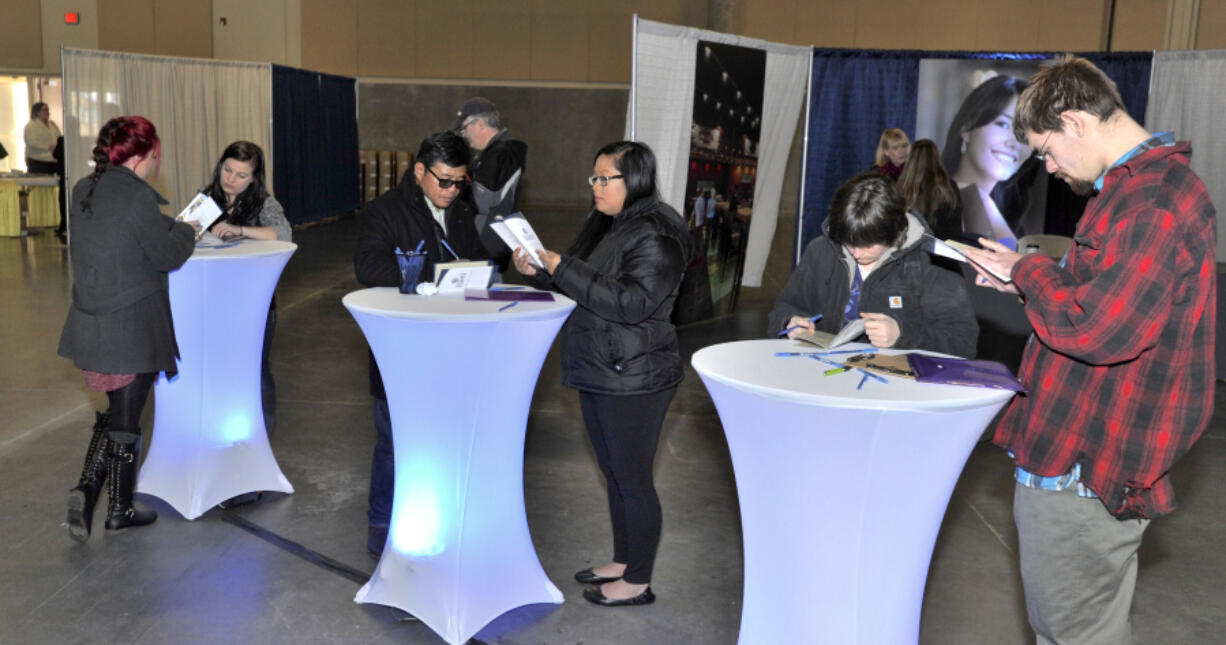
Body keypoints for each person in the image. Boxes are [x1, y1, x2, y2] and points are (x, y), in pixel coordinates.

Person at [962, 56, 1216, 645]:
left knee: (1075, 633)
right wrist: (1028, 277)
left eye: (1046, 150)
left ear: (1075, 122)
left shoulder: (1151, 199)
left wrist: (1030, 268)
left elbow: (1099, 331)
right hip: (1081, 454)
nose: (1047, 167)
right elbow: (1107, 296)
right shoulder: (1138, 191)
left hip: (1086, 467)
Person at [512, 141, 690, 607]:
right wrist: (539, 268)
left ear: (633, 180)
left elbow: (630, 303)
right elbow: (581, 281)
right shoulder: (612, 224)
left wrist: (561, 265)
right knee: (613, 472)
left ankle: (638, 580)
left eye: (604, 178)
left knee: (632, 477)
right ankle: (624, 559)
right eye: (593, 177)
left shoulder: (657, 232)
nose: (595, 186)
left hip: (636, 374)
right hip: (603, 366)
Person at [57, 116, 197, 540]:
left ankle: (90, 491)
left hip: (90, 322)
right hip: (131, 323)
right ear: (141, 156)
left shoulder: (85, 187)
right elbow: (165, 255)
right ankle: (117, 508)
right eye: (155, 156)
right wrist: (187, 231)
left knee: (117, 412)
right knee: (126, 420)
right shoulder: (135, 197)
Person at [353, 131, 488, 559]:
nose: (451, 191)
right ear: (419, 171)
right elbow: (368, 266)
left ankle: (439, 515)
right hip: (401, 347)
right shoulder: (384, 212)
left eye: (459, 182)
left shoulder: (462, 212)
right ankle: (380, 520)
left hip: (452, 345)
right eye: (443, 181)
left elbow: (480, 260)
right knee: (394, 441)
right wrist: (433, 274)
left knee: (443, 438)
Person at [769, 172, 977, 359]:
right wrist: (790, 322)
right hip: (824, 372)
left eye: (868, 244)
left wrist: (902, 335)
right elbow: (785, 306)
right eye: (848, 242)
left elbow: (963, 342)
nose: (856, 252)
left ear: (896, 230)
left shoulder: (932, 262)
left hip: (899, 390)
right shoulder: (821, 249)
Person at [201, 141, 290, 476]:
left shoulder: (264, 203)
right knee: (218, 369)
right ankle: (219, 437)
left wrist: (239, 230)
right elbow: (179, 235)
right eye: (227, 170)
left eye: (241, 175)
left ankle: (259, 440)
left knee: (255, 369)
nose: (231, 179)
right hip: (212, 301)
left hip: (255, 303)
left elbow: (284, 232)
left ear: (254, 179)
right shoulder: (205, 199)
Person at [942, 75, 1040, 250]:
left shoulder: (1001, 209)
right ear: (967, 128)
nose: (1013, 142)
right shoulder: (947, 201)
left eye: (1024, 134)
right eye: (1003, 125)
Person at [454, 97, 526, 270]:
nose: (463, 135)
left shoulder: (500, 154)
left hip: (485, 247)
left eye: (464, 128)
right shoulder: (492, 154)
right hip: (488, 245)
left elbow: (483, 200)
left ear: (479, 123)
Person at [896, 139, 961, 241]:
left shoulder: (901, 187)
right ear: (936, 158)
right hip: (942, 250)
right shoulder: (949, 187)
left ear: (912, 159)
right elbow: (955, 228)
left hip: (909, 249)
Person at [23, 102, 61, 175]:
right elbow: (31, 142)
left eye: (48, 110)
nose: (48, 112)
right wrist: (48, 147)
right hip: (37, 161)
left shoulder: (52, 125)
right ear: (37, 112)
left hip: (53, 160)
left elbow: (59, 138)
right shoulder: (31, 126)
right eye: (45, 110)